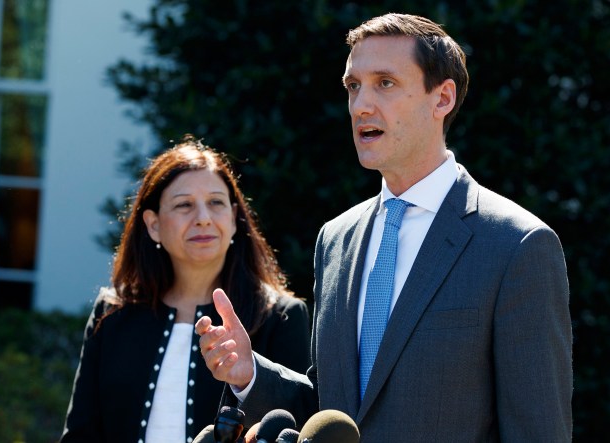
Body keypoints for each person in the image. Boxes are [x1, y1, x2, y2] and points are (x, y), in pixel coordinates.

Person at [195, 12, 573, 442]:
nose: (361, 105)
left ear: (442, 98)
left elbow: (538, 430)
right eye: (353, 87)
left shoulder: (517, 245)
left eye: (385, 83)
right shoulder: (336, 239)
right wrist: (251, 374)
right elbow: (330, 410)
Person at [60, 135, 311, 443]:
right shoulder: (112, 312)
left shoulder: (279, 317)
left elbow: (298, 427)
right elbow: (80, 435)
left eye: (216, 203)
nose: (203, 219)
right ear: (153, 225)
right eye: (184, 205)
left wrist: (249, 382)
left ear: (233, 219)